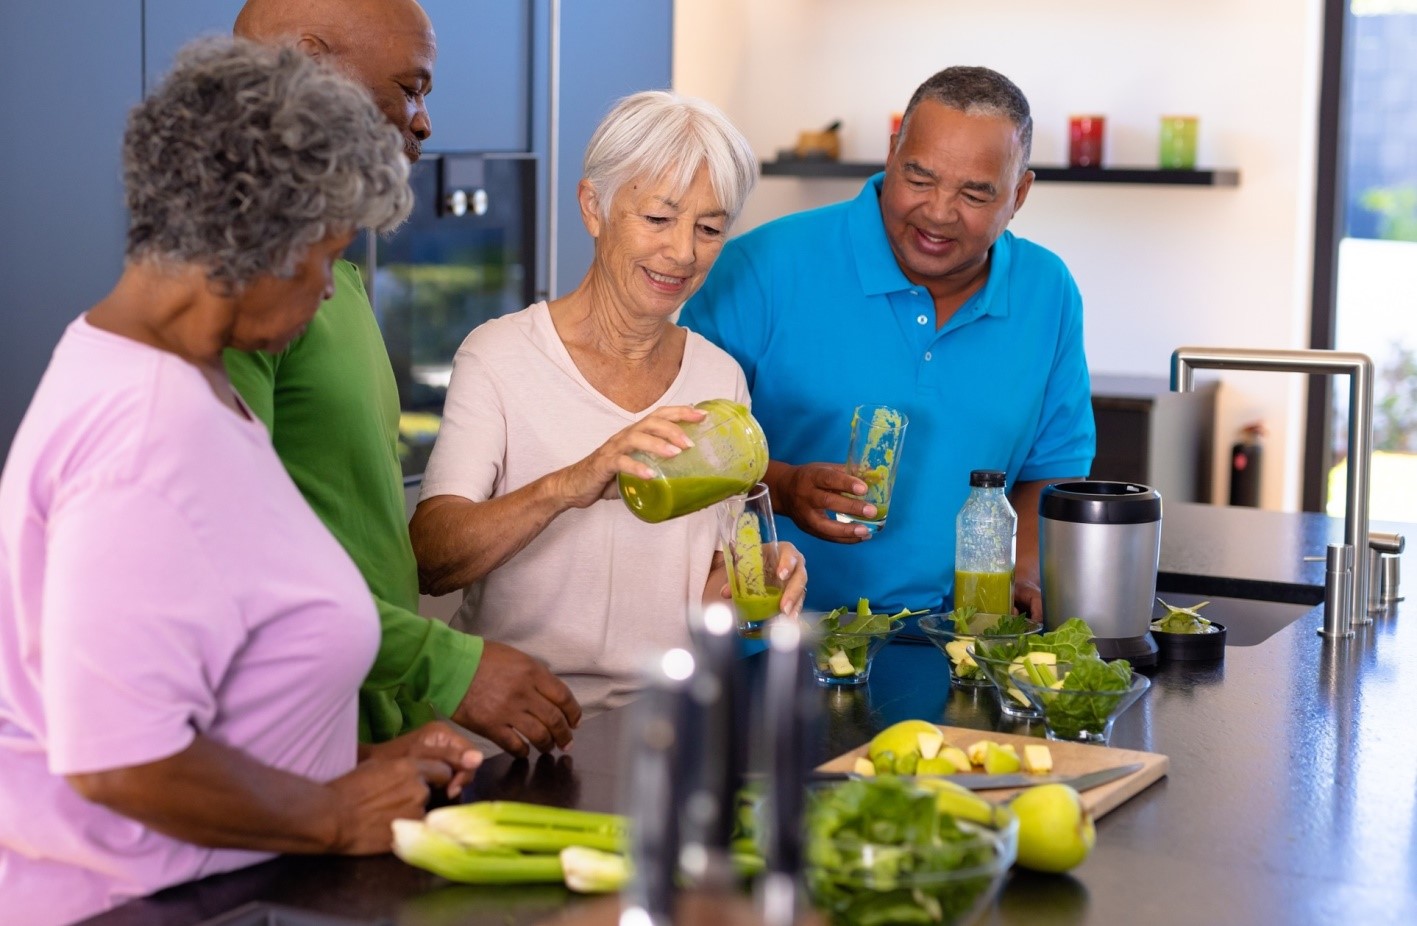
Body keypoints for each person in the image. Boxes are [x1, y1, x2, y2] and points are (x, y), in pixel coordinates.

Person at [0, 39, 481, 926]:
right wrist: (332, 814)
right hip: (141, 903)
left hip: (233, 884)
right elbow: (120, 760)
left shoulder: (182, 376)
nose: (329, 294)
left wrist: (341, 770)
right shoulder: (143, 440)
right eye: (325, 258)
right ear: (259, 246)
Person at [225, 0, 582, 756]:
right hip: (286, 743)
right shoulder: (246, 293)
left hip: (370, 730)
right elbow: (234, 565)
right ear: (310, 65)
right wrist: (448, 665)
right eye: (410, 87)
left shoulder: (332, 278)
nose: (422, 122)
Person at [409, 91, 808, 715]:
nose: (683, 252)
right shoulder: (499, 356)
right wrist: (577, 480)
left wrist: (757, 575)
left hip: (666, 714)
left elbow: (704, 588)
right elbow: (432, 560)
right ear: (594, 208)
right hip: (517, 713)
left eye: (709, 228)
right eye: (658, 219)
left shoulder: (720, 377)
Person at [680, 66, 1095, 618]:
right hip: (779, 633)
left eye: (975, 193)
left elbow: (1053, 467)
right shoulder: (760, 268)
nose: (939, 213)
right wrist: (785, 488)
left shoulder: (1049, 291)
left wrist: (1021, 575)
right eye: (919, 179)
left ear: (1018, 194)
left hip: (963, 641)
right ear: (892, 153)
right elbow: (687, 447)